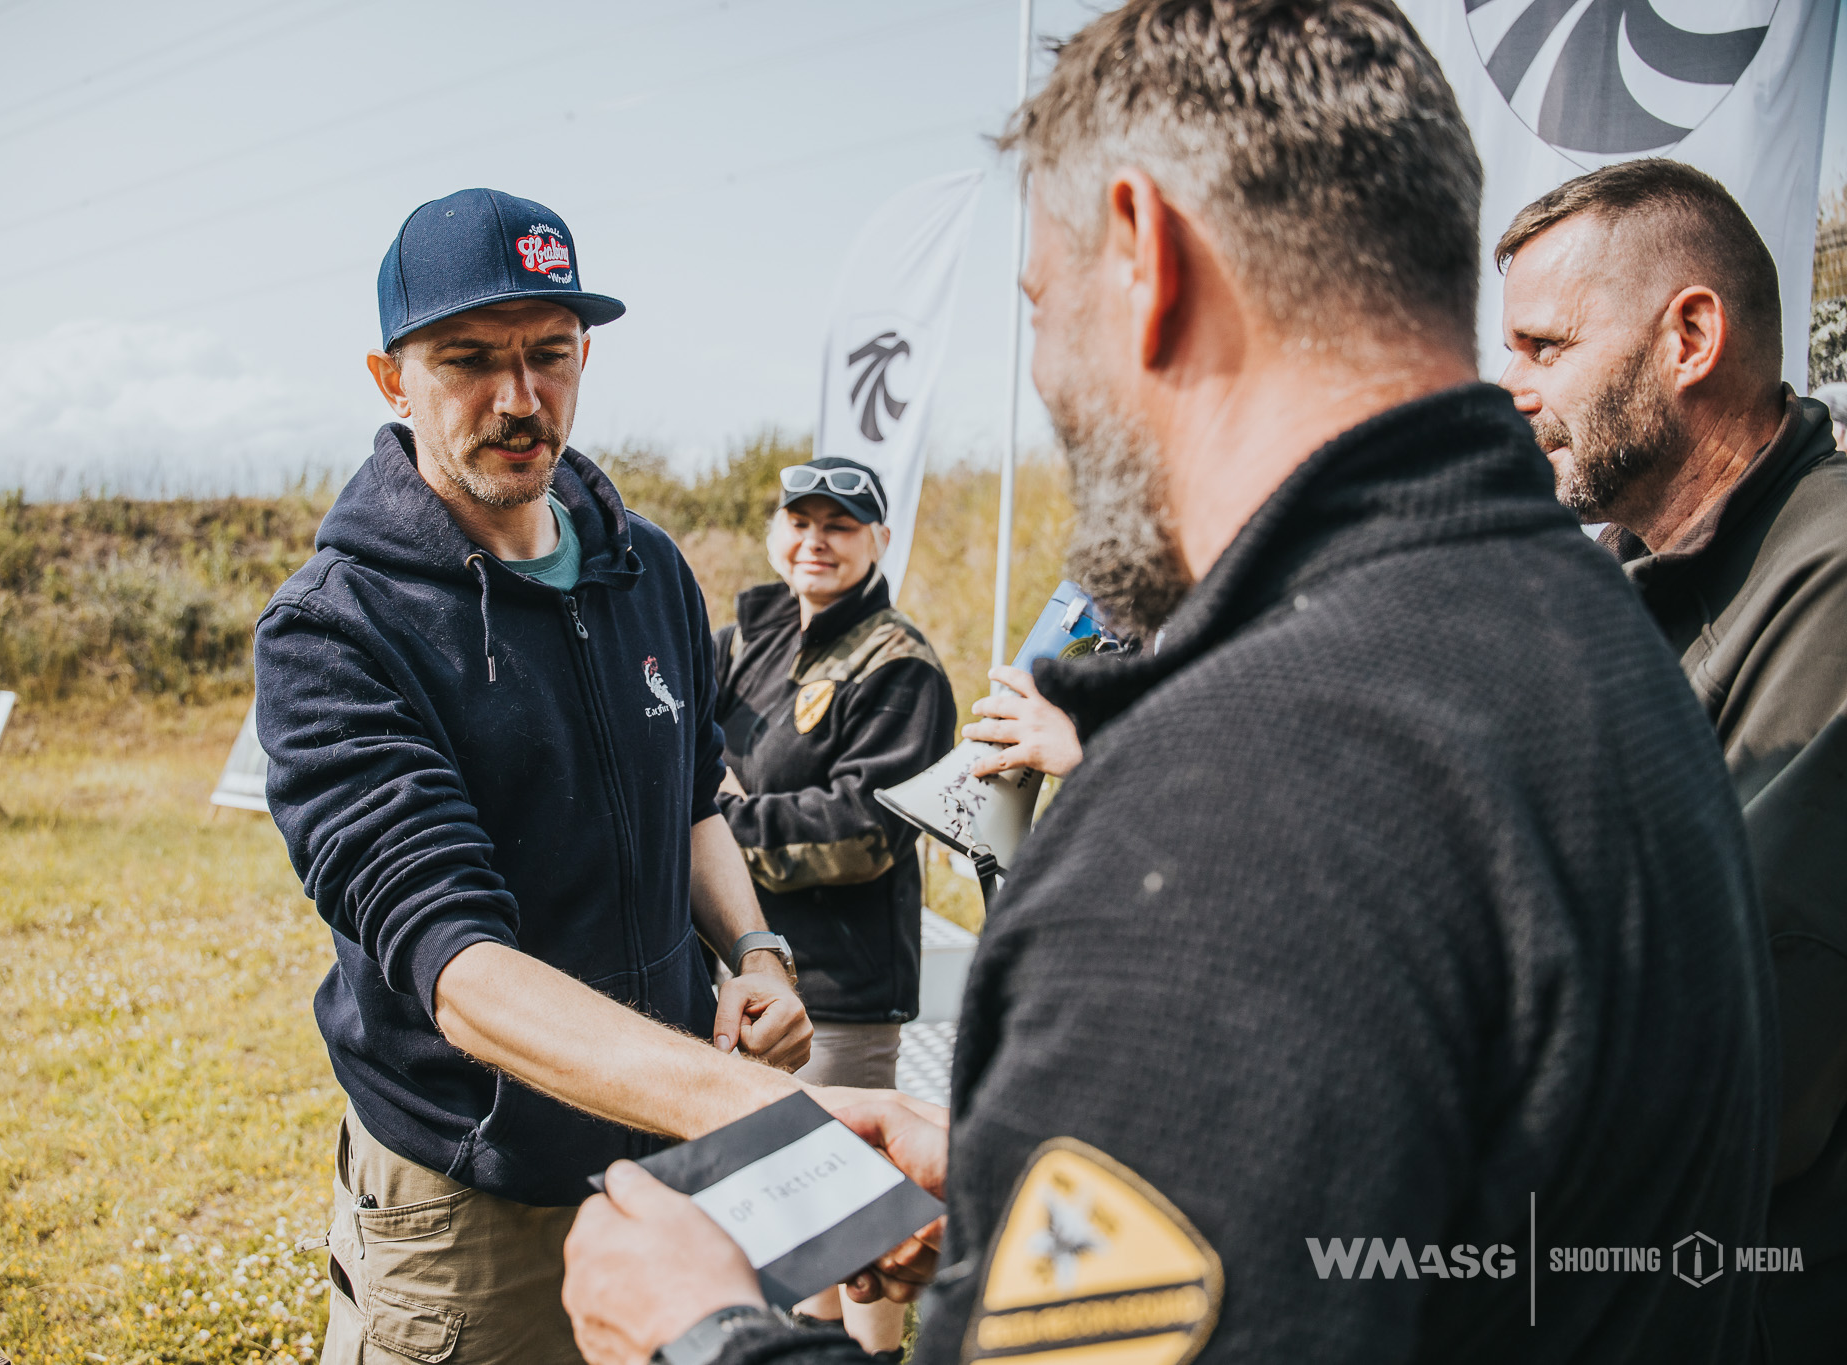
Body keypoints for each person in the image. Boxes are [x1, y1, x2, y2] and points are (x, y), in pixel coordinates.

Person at [559, 3, 1778, 1363]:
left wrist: (705, 1332)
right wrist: (1041, 1162)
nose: (1046, 380)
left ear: (1144, 254)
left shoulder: (1231, 804)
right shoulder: (1595, 635)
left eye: (1039, 306)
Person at [254, 187, 822, 1365]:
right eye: (467, 359)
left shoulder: (646, 567)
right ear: (388, 376)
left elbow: (693, 792)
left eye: (548, 355)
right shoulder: (335, 631)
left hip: (670, 1159)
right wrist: (742, 1109)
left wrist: (755, 953)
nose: (519, 400)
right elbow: (455, 968)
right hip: (476, 1201)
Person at [1495, 159, 1847, 1364]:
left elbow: (1745, 1042)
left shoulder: (1833, 577)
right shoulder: (1632, 590)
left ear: (1689, 335)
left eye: (1544, 346)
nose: (1511, 386)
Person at [711, 455, 956, 1359]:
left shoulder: (902, 665)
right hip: (745, 968)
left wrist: (724, 821)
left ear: (879, 541)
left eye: (840, 525)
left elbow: (865, 831)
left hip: (839, 987)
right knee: (783, 1195)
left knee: (852, 1218)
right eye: (801, 521)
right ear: (777, 532)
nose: (815, 541)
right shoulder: (745, 636)